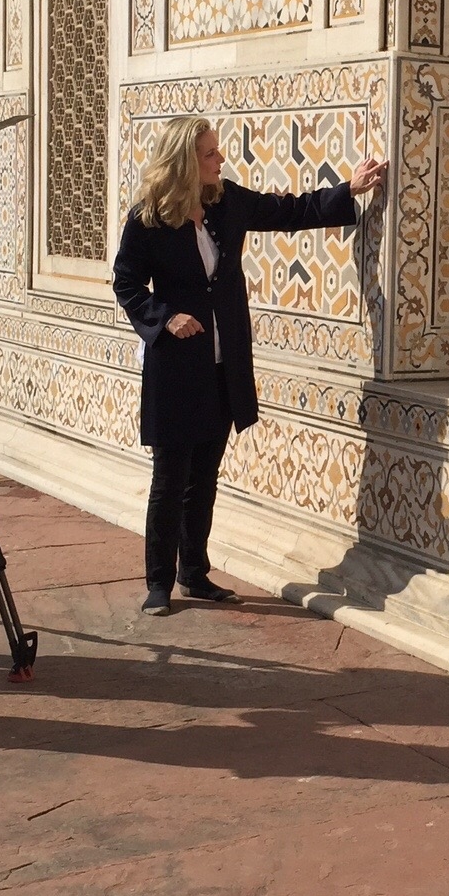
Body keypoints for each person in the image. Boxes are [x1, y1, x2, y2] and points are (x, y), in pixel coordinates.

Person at [112, 116, 387, 617]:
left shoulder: (226, 202)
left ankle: (194, 572)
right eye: (211, 153)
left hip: (223, 363)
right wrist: (165, 318)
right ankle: (159, 582)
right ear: (186, 162)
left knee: (207, 475)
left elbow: (288, 210)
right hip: (175, 368)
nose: (220, 160)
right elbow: (126, 285)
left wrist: (349, 188)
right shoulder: (147, 220)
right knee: (170, 478)